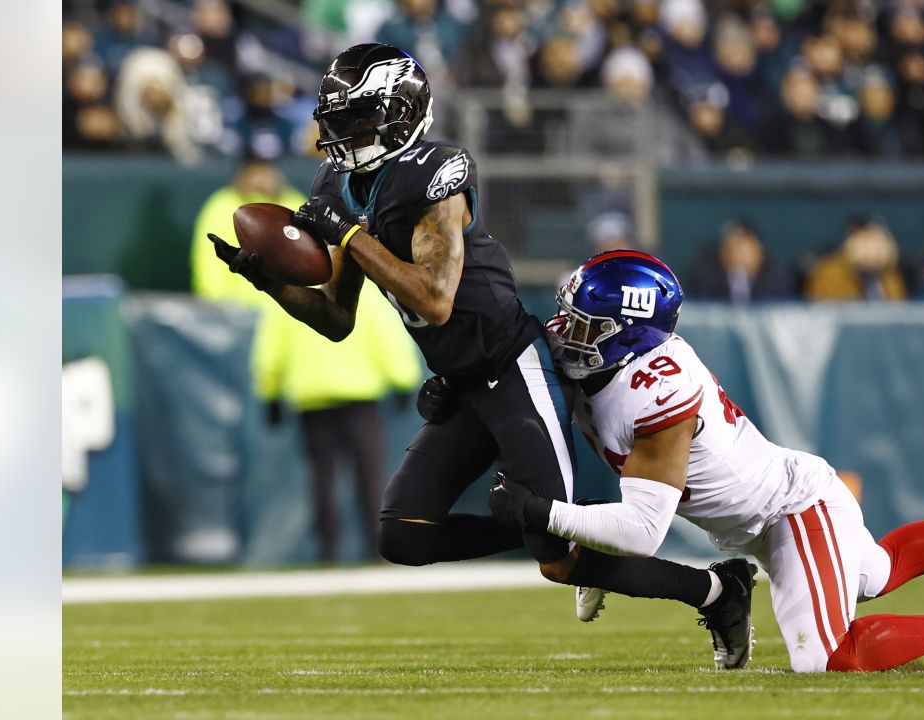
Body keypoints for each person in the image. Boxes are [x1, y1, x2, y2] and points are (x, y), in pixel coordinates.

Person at [206, 44, 739, 640]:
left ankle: (716, 590)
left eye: (357, 116)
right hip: (462, 381)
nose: (342, 132)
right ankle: (564, 525)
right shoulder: (338, 182)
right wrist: (269, 281)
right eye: (337, 118)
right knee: (403, 535)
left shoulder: (438, 172)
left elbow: (434, 298)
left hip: (513, 369)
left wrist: (353, 235)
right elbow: (336, 318)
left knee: (556, 563)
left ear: (400, 112)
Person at [489, 250, 924, 673]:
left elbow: (641, 531)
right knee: (876, 573)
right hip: (769, 512)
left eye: (585, 325)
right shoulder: (603, 368)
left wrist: (544, 514)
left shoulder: (653, 391)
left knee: (826, 657)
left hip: (792, 508)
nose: (565, 333)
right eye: (567, 315)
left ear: (628, 336)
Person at [251, 283, 422, 563]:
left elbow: (271, 348)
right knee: (370, 479)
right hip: (360, 399)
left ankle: (328, 552)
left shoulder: (291, 294)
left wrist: (269, 393)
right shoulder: (361, 294)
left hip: (313, 401)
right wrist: (403, 380)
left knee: (322, 481)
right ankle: (376, 550)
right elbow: (387, 338)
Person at [190, 157, 307, 308]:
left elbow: (306, 269)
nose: (261, 176)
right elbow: (209, 267)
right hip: (232, 310)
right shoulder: (221, 205)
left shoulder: (294, 204)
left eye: (266, 167)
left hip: (285, 309)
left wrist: (296, 303)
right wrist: (218, 305)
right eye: (254, 168)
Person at [689, 218, 795, 302]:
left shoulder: (775, 281)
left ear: (759, 251)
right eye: (731, 249)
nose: (737, 255)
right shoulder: (708, 281)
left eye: (744, 250)